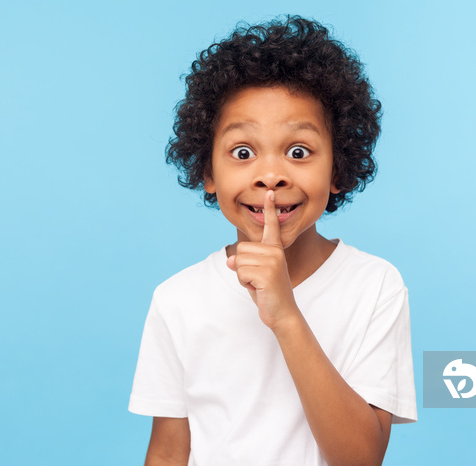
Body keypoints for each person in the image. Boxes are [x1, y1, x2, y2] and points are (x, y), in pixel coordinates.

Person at [129, 15, 417, 465]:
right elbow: (168, 453)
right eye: (242, 153)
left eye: (298, 152)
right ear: (207, 171)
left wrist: (286, 314)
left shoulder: (375, 286)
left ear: (337, 169)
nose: (270, 176)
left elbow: (361, 458)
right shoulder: (177, 299)